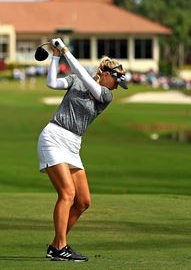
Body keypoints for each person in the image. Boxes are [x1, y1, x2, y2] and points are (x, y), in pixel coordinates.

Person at [37, 38, 128, 262]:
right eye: (117, 81)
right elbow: (52, 83)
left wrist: (66, 51)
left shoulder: (105, 95)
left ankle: (56, 245)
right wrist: (56, 56)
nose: (117, 86)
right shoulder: (77, 80)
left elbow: (87, 78)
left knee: (83, 201)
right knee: (67, 194)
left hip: (73, 145)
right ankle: (60, 248)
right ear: (106, 74)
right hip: (54, 137)